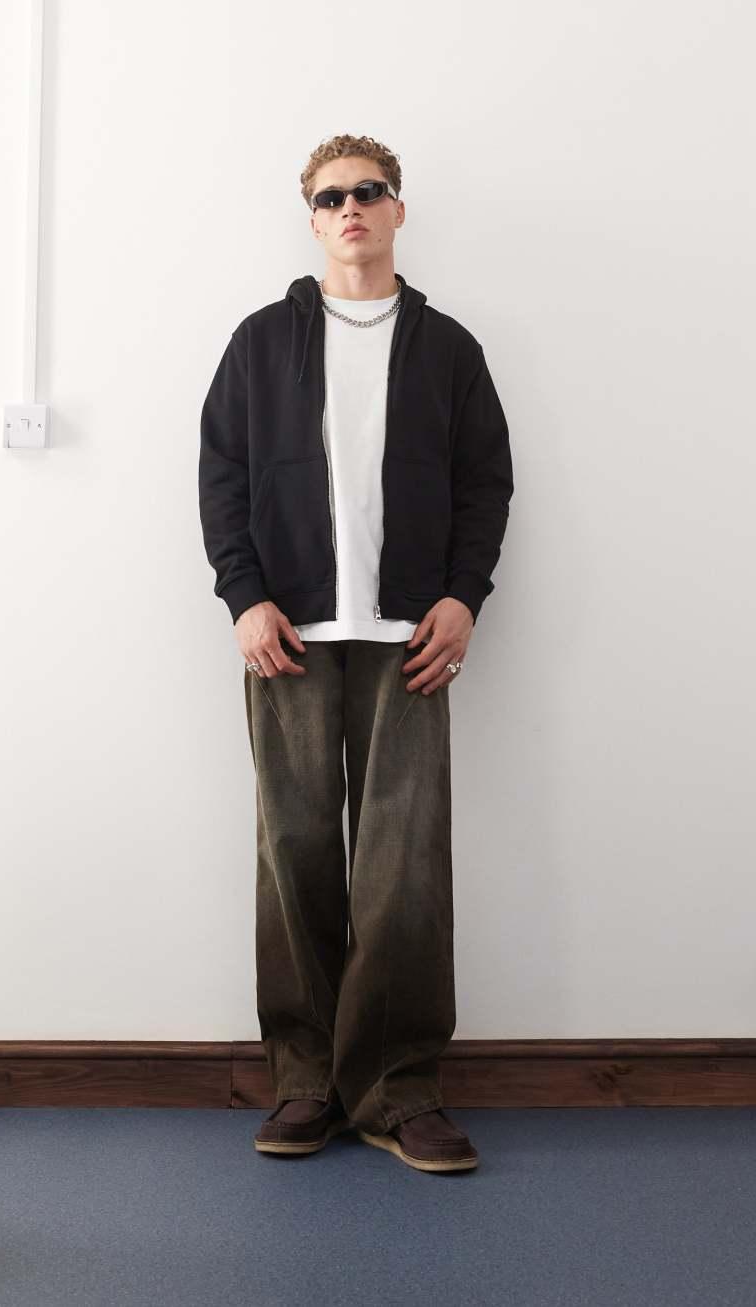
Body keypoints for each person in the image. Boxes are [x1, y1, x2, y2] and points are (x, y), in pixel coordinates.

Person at [198, 133, 513, 1174]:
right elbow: (221, 477)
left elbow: (485, 483)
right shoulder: (259, 343)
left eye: (368, 192)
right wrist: (245, 597)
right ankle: (306, 1082)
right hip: (287, 635)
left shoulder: (448, 349)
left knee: (403, 868)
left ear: (397, 210)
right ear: (312, 218)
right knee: (292, 857)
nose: (351, 209)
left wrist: (464, 597)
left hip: (409, 639)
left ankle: (399, 1089)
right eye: (331, 197)